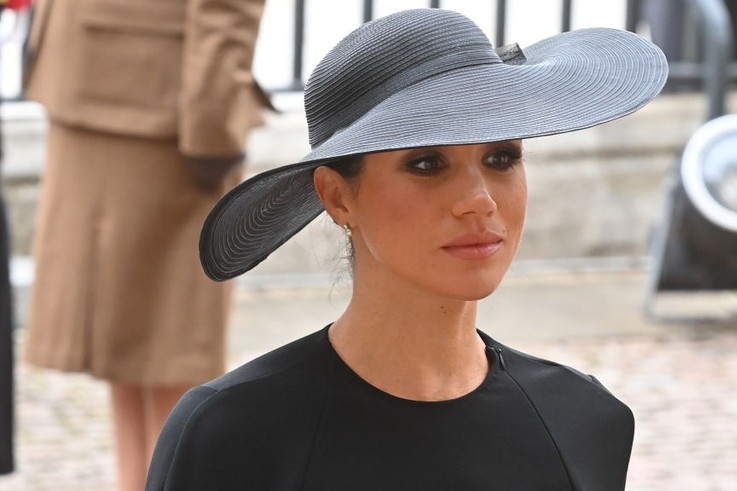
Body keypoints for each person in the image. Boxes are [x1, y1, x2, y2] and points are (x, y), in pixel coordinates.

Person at [146, 8, 667, 491]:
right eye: (426, 164)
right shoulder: (233, 435)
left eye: (502, 157)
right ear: (337, 195)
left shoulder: (584, 420)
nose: (479, 201)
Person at [21, 0, 269, 489]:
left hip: (110, 75)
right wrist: (213, 125)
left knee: (142, 342)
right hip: (163, 101)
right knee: (162, 344)